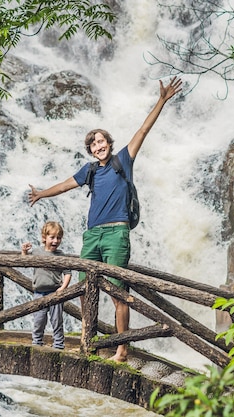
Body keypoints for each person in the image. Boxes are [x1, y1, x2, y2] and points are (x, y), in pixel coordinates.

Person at [28, 77, 183, 362]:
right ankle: (90, 340)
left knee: (117, 291)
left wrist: (161, 100)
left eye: (101, 141)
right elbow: (64, 185)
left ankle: (122, 348)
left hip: (116, 233)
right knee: (85, 289)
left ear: (109, 143)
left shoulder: (122, 159)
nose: (98, 145)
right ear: (90, 150)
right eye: (93, 143)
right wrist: (41, 194)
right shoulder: (89, 171)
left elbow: (143, 130)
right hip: (92, 235)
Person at [21, 221, 72, 350]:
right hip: (39, 293)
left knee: (56, 320)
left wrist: (62, 288)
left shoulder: (61, 256)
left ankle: (59, 344)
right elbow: (25, 262)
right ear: (44, 238)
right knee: (39, 320)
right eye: (52, 237)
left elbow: (67, 273)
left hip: (55, 292)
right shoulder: (37, 252)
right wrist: (24, 252)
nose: (55, 241)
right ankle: (37, 342)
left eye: (58, 238)